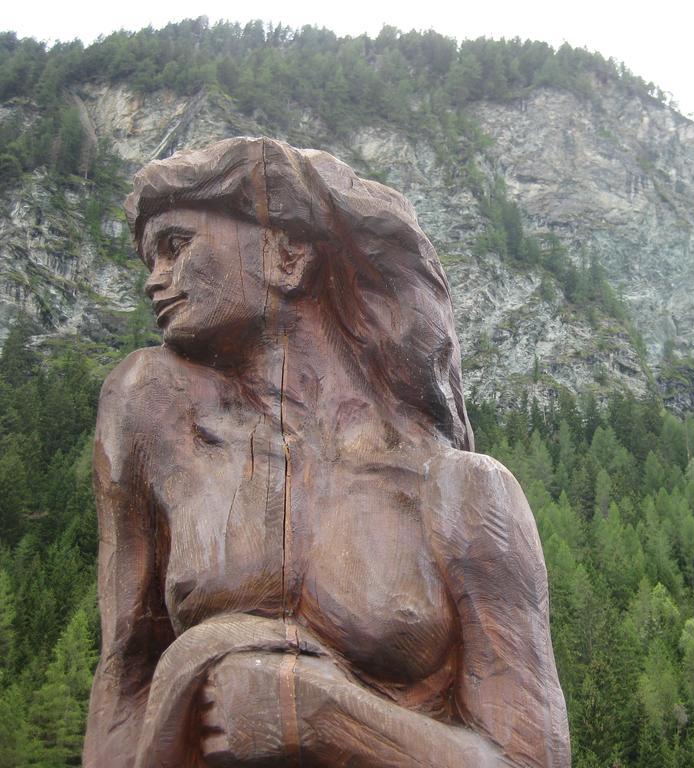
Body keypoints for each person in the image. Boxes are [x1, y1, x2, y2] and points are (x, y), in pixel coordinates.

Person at [83, 137, 570, 768]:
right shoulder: (157, 419)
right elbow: (123, 677)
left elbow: (530, 760)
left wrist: (328, 716)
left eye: (177, 245)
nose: (156, 279)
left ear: (288, 256)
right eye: (150, 257)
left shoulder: (463, 491)